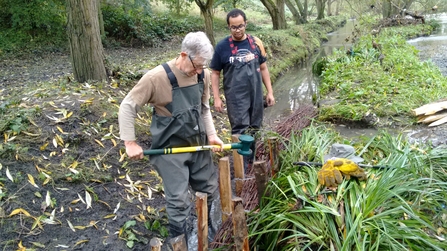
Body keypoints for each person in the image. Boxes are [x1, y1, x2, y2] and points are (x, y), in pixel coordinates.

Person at [118, 31, 224, 246]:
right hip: (169, 150)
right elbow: (128, 106)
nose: (199, 71)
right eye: (196, 65)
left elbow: (203, 109)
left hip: (198, 145)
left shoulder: (201, 75)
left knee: (209, 188)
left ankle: (214, 234)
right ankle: (180, 241)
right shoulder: (156, 78)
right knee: (178, 201)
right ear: (184, 54)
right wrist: (130, 142)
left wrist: (211, 135)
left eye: (203, 66)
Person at [210, 8, 275, 168]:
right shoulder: (222, 47)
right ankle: (241, 166)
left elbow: (264, 68)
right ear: (228, 27)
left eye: (240, 26)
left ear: (246, 23)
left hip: (256, 94)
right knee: (240, 130)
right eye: (234, 27)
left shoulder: (256, 43)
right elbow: (215, 73)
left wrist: (270, 92)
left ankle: (251, 162)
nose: (238, 30)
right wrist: (217, 98)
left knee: (255, 128)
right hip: (236, 97)